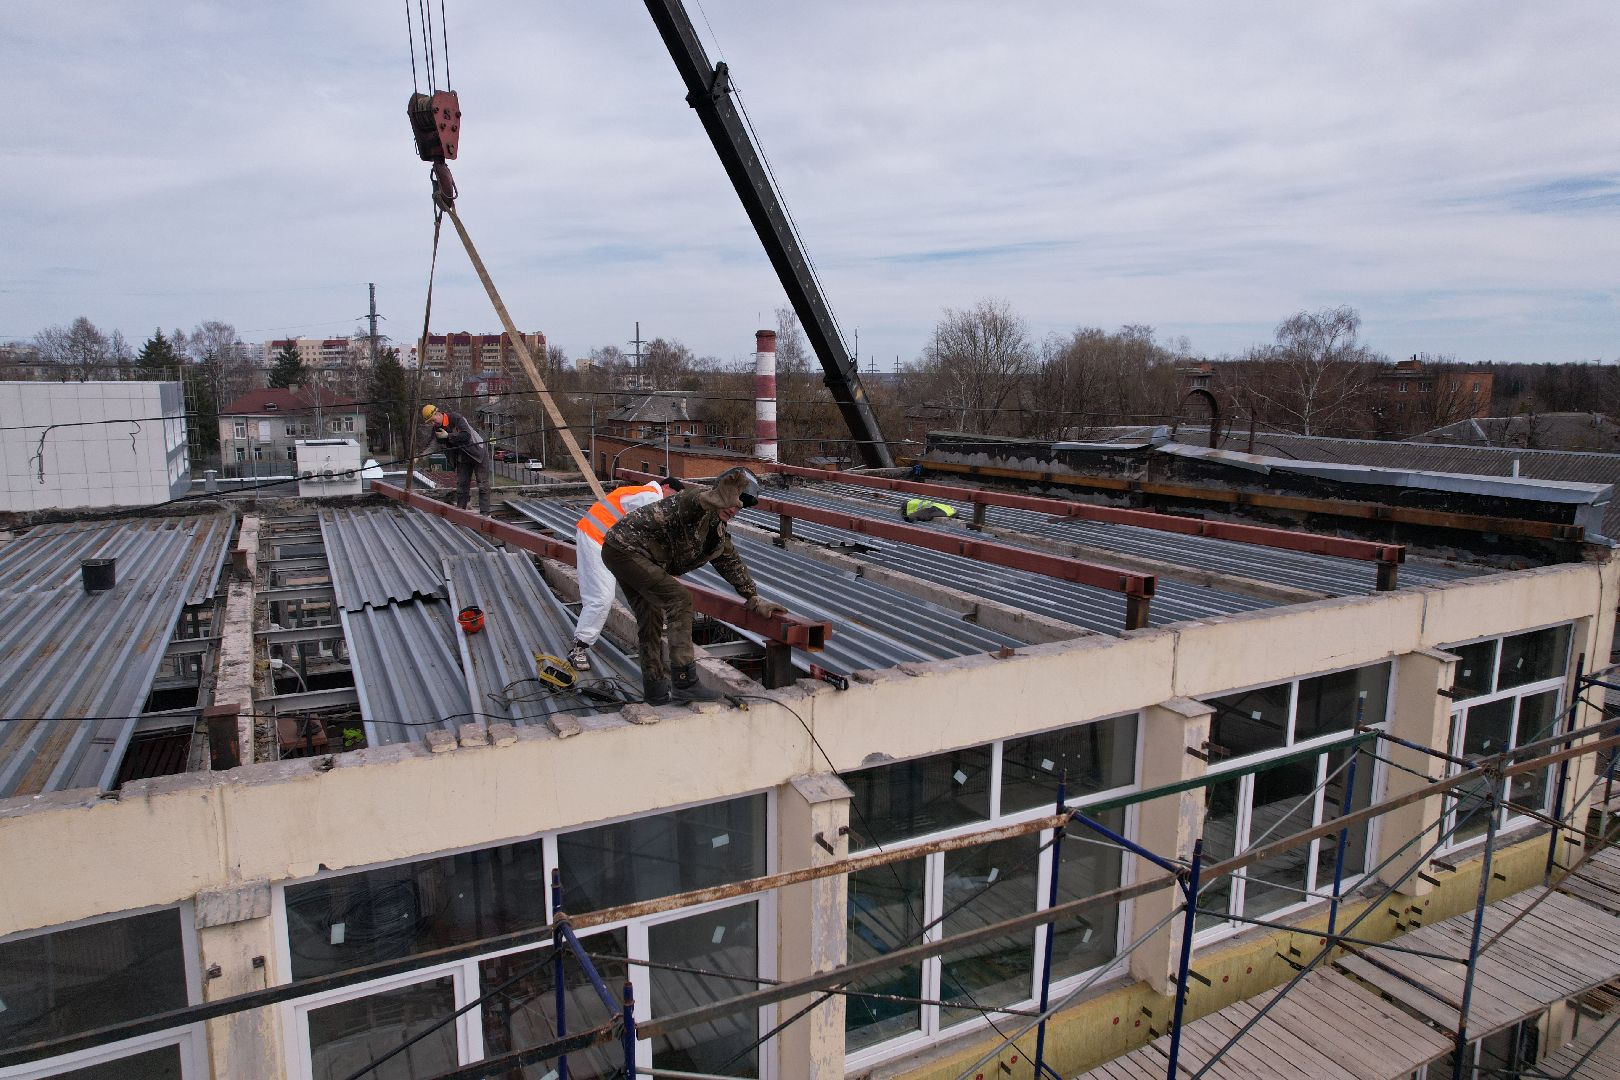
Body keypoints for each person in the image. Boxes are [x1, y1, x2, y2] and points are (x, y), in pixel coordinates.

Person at [601, 467, 786, 706]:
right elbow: (692, 501)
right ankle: (684, 681)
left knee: (650, 618)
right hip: (625, 549)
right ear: (718, 494)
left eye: (740, 506)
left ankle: (655, 690)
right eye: (731, 501)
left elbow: (731, 563)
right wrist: (713, 498)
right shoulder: (694, 503)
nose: (734, 509)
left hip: (626, 553)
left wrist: (753, 597)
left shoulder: (717, 533)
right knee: (680, 599)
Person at [568, 476, 683, 671]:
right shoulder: (651, 496)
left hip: (605, 541)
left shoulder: (641, 494)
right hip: (597, 538)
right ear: (665, 487)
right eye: (673, 496)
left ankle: (652, 623)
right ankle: (579, 647)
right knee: (601, 598)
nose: (672, 503)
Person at [421, 403, 491, 514]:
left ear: (438, 413)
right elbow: (433, 444)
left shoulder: (455, 418)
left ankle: (485, 515)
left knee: (482, 485)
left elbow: (466, 435)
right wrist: (420, 457)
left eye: (433, 420)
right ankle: (460, 513)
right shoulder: (437, 428)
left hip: (477, 452)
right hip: (462, 456)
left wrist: (448, 436)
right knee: (462, 486)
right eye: (430, 422)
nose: (433, 424)